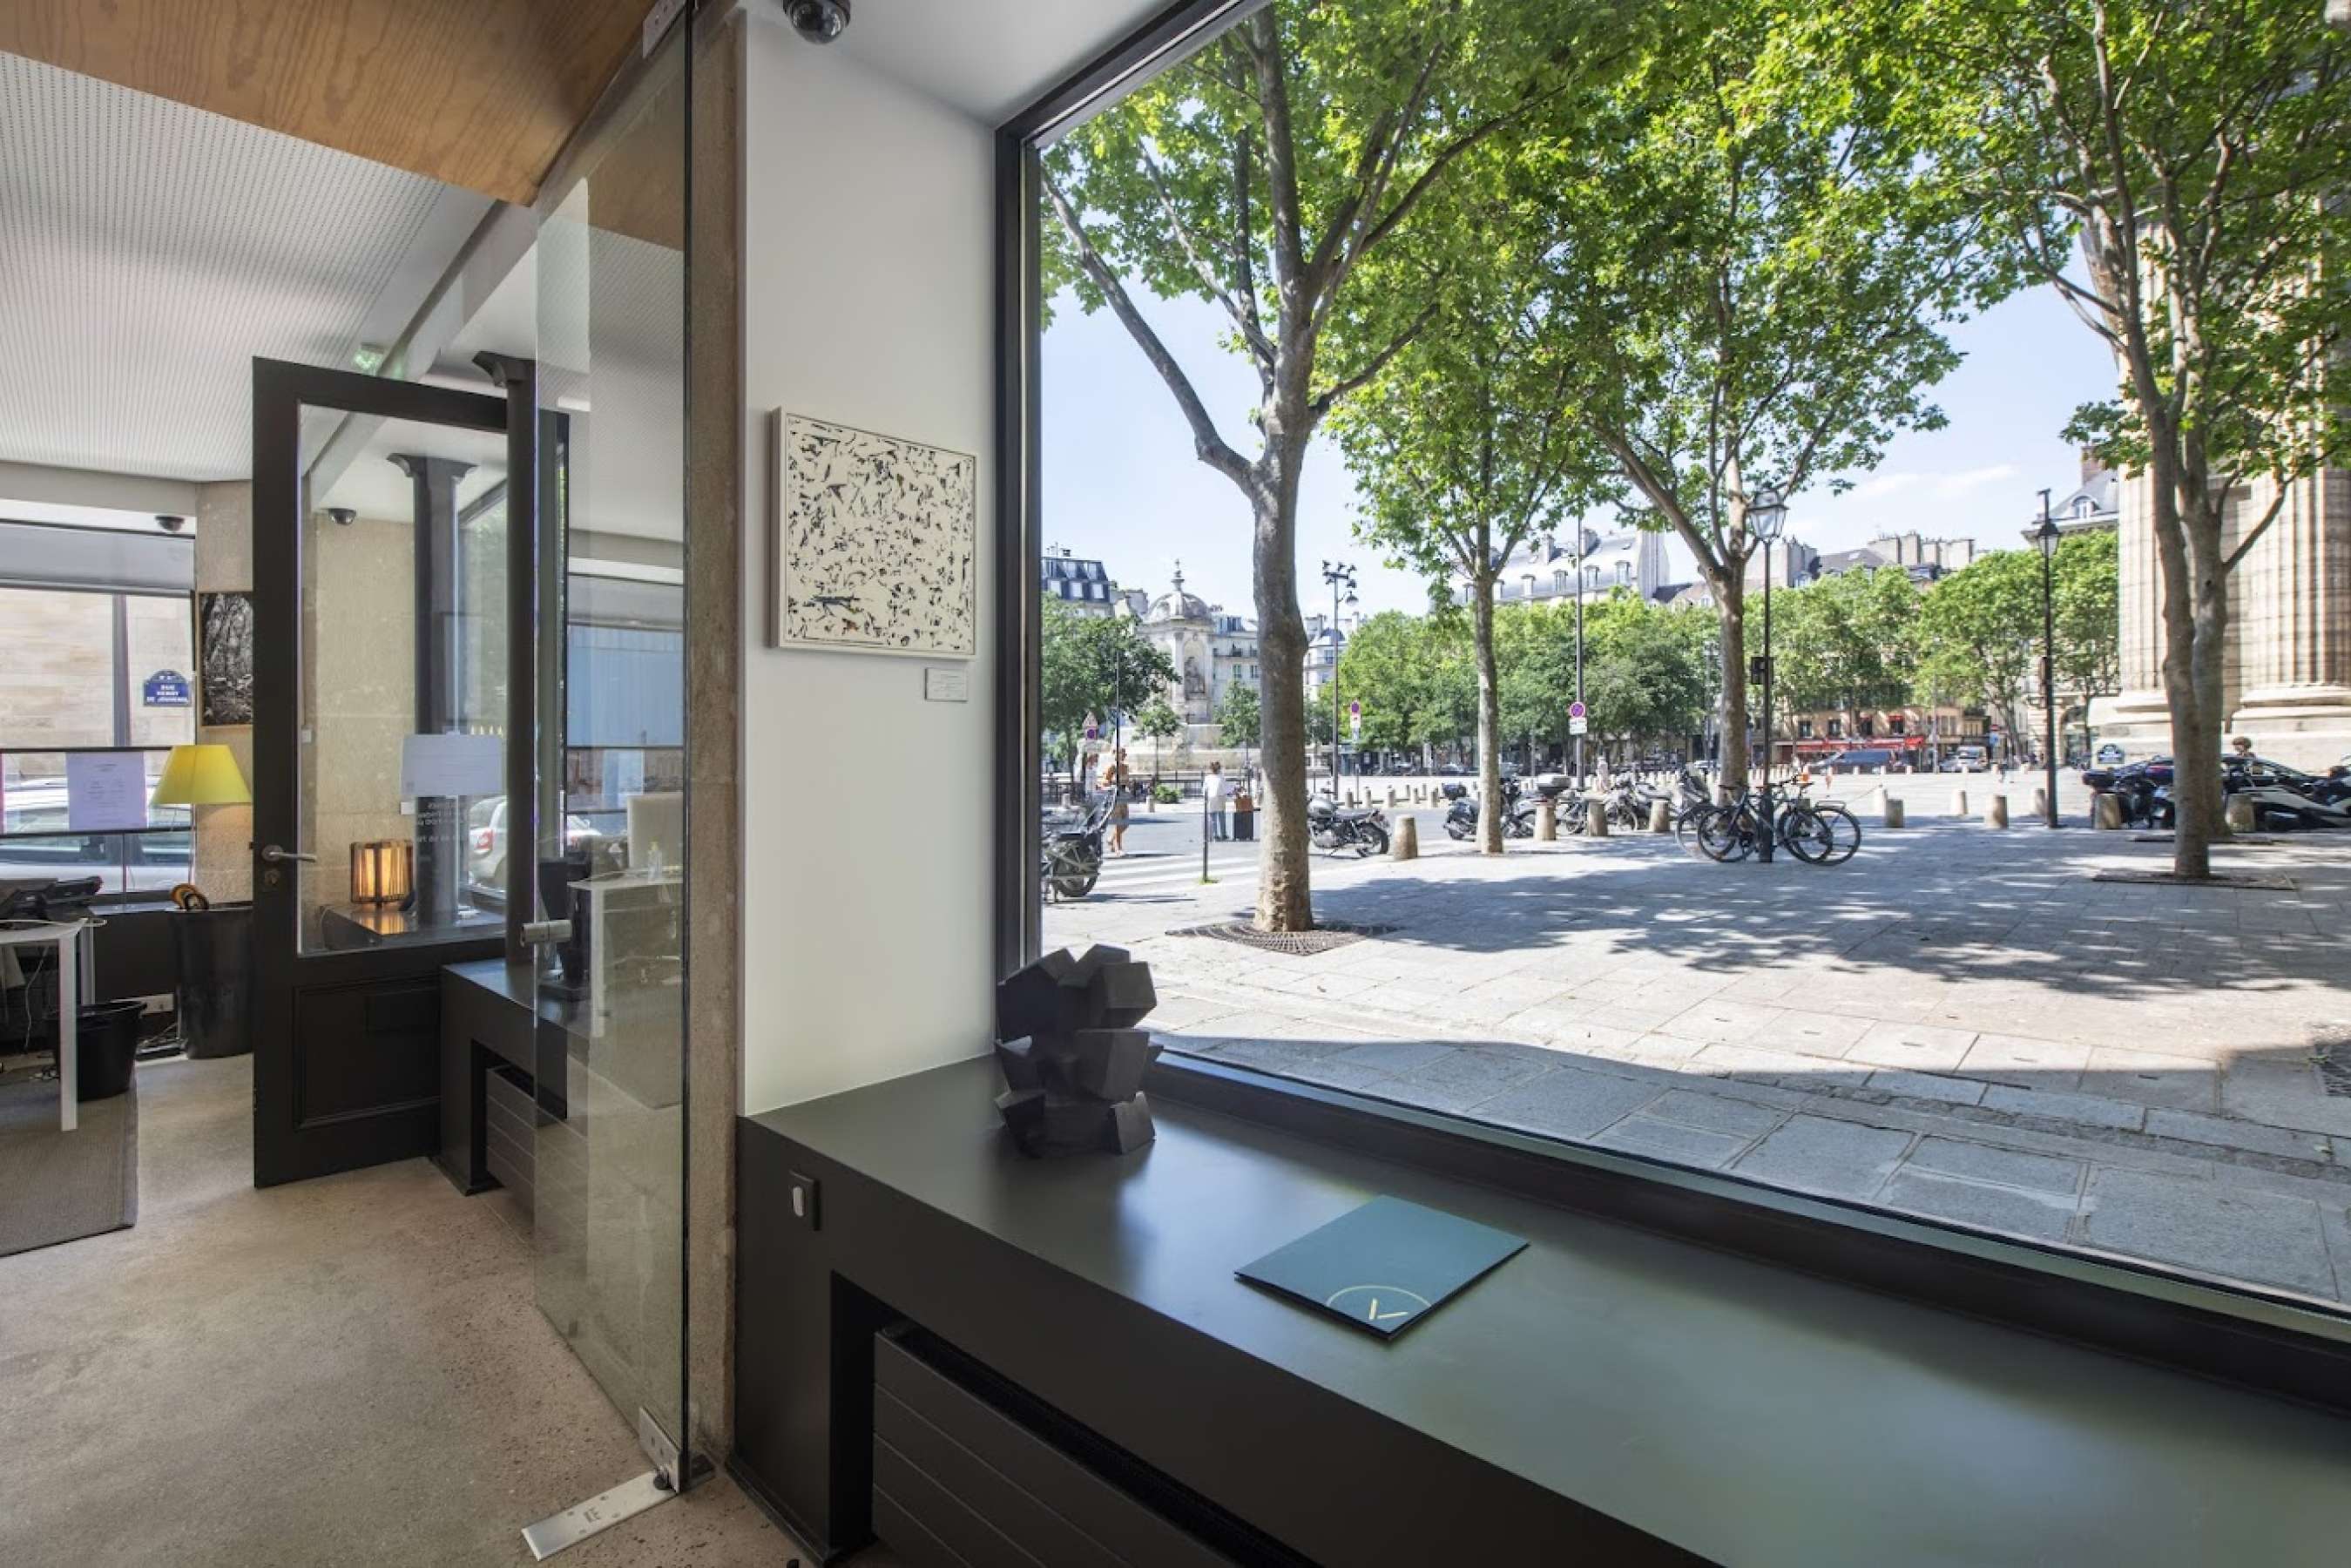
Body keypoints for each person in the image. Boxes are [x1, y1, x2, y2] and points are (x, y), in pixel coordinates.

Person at [1203, 760, 1228, 841]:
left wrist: (1206, 797)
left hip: (1210, 798)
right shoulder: (1221, 777)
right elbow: (1225, 789)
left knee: (1212, 817)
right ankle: (1223, 834)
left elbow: (1204, 789)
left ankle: (1215, 834)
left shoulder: (1207, 778)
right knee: (1221, 817)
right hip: (1220, 797)